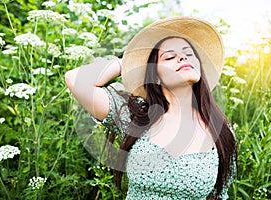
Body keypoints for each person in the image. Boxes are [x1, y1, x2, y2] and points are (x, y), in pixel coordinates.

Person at [65, 16, 237, 199]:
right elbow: (75, 79)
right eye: (170, 56)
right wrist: (127, 61)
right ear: (155, 76)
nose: (182, 57)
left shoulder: (221, 131)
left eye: (189, 54)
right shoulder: (135, 115)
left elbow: (219, 195)